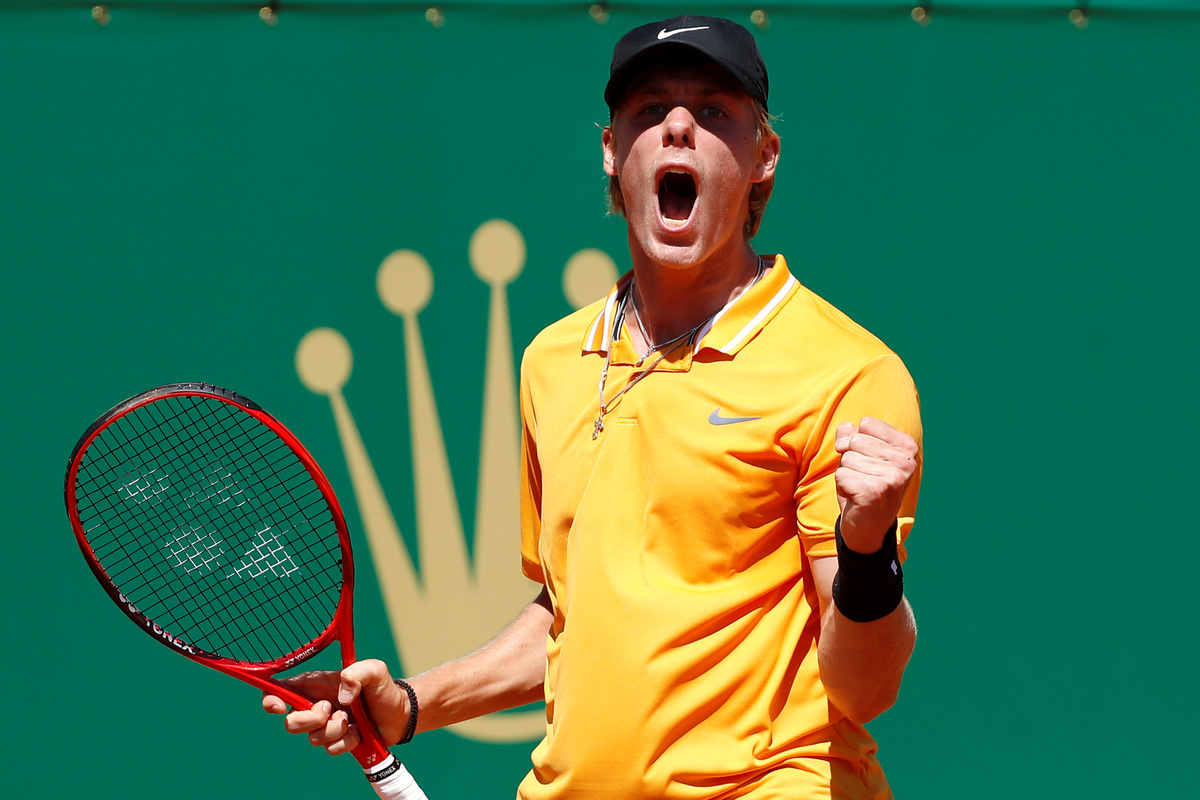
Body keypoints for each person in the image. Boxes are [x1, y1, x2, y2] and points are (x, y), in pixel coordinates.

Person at [265, 15, 923, 799]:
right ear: (612, 150)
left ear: (763, 157)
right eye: (650, 109)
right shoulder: (553, 361)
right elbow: (571, 612)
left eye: (714, 111)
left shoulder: (845, 373)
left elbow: (865, 689)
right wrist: (410, 703)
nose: (678, 126)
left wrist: (866, 552)